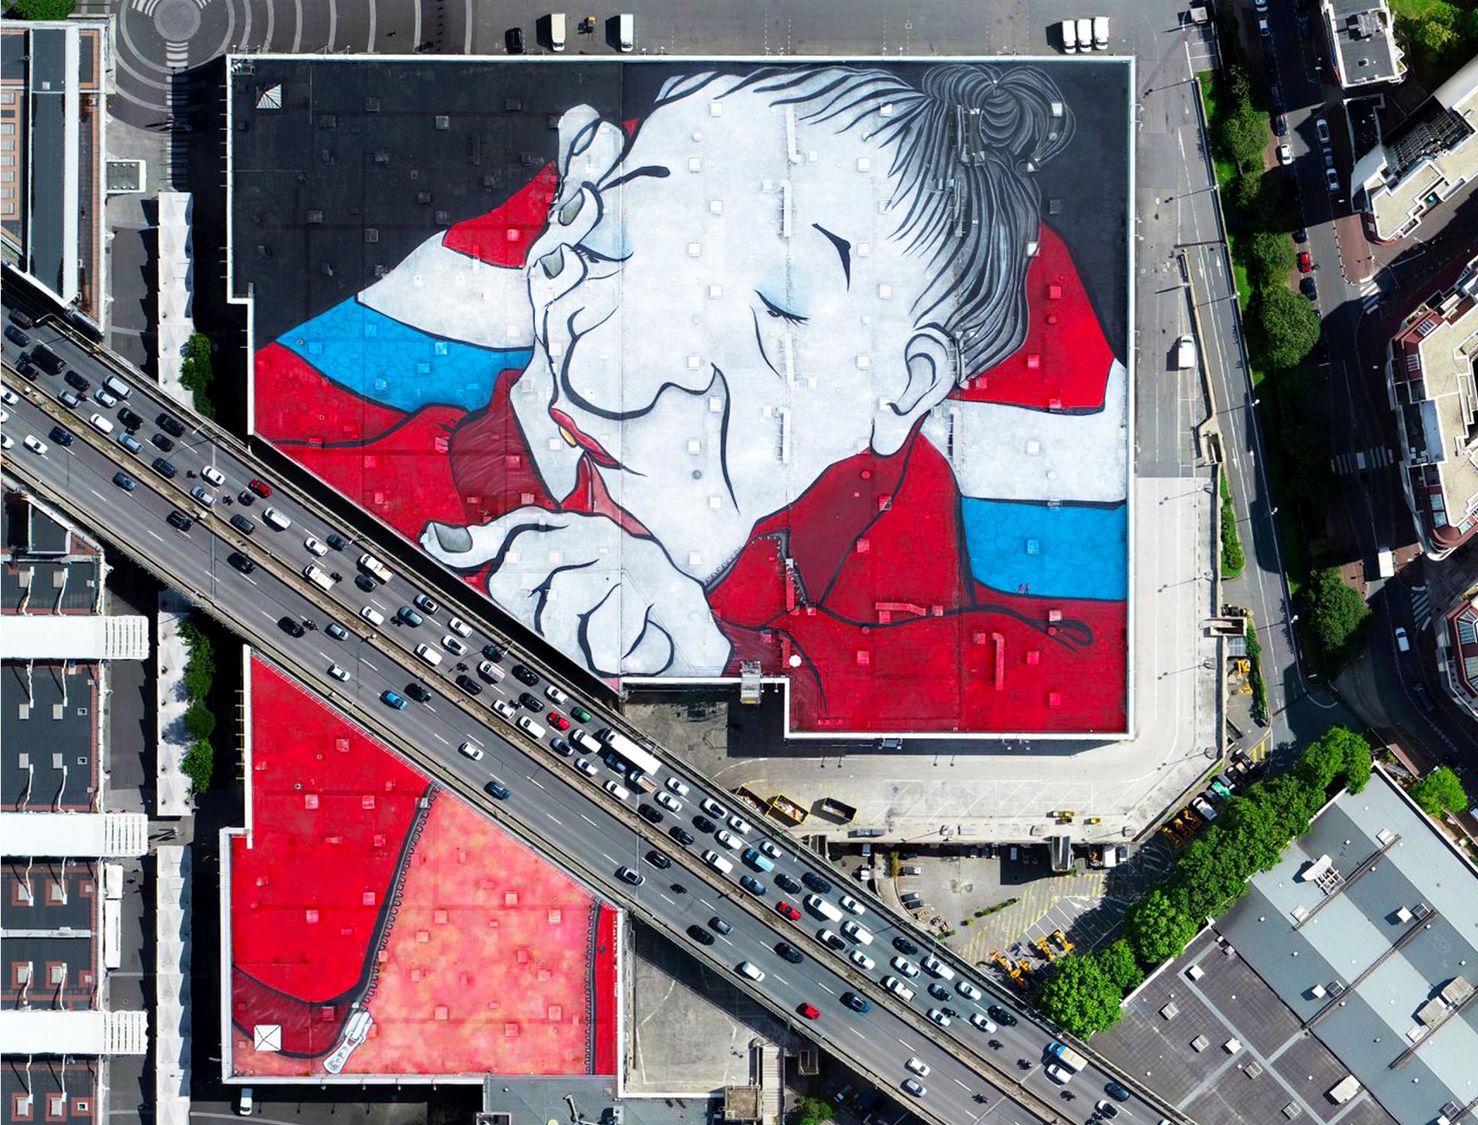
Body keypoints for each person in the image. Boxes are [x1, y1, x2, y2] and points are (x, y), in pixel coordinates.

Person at [256, 62, 1127, 733]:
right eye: (623, 242)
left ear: (908, 383)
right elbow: (262, 463)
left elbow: (1076, 680)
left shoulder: (912, 531)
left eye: (782, 303)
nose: (622, 357)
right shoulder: (442, 467)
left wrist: (728, 657)